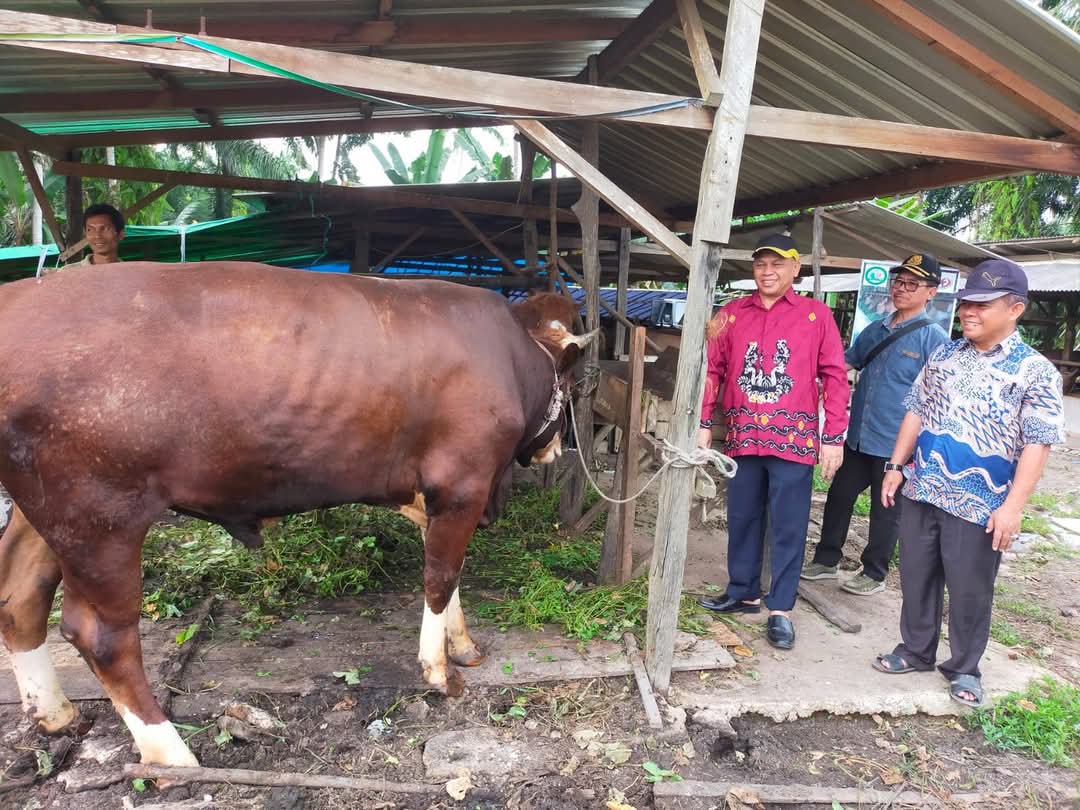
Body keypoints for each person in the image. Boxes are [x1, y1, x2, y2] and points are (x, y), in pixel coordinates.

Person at [874, 259, 1064, 707]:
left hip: (981, 503)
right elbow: (916, 409)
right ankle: (916, 649)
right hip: (923, 487)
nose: (968, 312)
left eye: (982, 304)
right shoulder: (945, 354)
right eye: (965, 304)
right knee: (917, 574)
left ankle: (964, 667)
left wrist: (1012, 508)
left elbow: (1038, 445)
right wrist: (895, 465)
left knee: (969, 586)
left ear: (1014, 309)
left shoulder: (1035, 372)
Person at [697, 233, 850, 650]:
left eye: (777, 264)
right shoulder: (730, 315)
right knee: (743, 515)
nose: (768, 271)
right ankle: (743, 590)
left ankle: (780, 608)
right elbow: (712, 370)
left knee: (788, 524)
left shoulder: (817, 316)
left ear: (794, 268)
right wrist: (703, 420)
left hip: (795, 440)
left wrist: (833, 437)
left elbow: (836, 376)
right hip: (745, 435)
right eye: (761, 264)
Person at [802, 254, 950, 594]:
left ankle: (874, 572)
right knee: (839, 496)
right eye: (898, 282)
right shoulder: (877, 328)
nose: (901, 289)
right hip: (858, 437)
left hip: (895, 445)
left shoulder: (935, 340)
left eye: (912, 284)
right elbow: (844, 364)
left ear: (931, 292)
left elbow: (940, 400)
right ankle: (826, 560)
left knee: (886, 510)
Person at [47, 202, 125, 273]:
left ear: (121, 234)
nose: (97, 236)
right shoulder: (68, 273)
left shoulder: (130, 273)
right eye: (90, 229)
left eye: (104, 229)